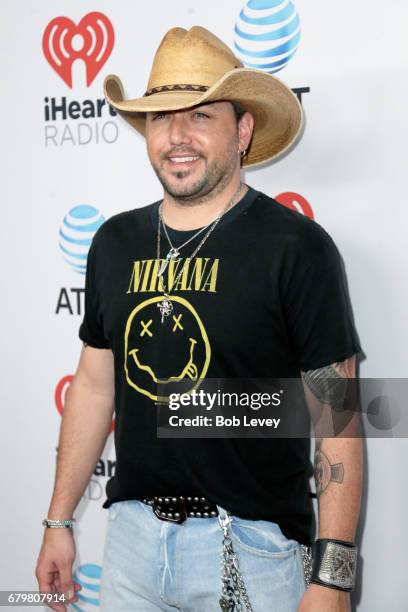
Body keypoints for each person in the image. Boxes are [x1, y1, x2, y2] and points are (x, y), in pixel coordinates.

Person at [36, 26, 363, 612]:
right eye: (161, 117)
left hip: (254, 554)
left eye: (200, 116)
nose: (177, 135)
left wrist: (332, 579)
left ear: (242, 130)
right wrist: (58, 518)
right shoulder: (113, 242)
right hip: (131, 549)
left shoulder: (296, 248)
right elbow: (92, 386)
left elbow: (336, 419)